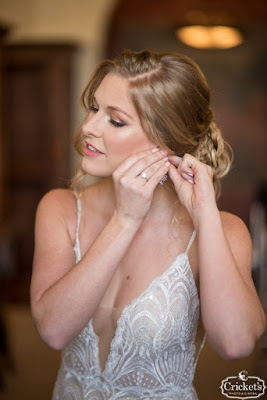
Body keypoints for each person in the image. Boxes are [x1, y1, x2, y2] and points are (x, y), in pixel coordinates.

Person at [30, 49, 266, 400]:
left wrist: (205, 216)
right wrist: (125, 219)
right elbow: (53, 331)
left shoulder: (224, 231)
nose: (87, 128)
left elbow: (235, 343)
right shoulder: (60, 208)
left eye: (116, 120)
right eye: (94, 108)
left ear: (165, 141)